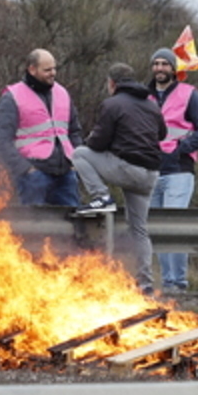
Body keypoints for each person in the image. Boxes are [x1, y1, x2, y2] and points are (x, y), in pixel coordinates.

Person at [71, 63, 166, 294]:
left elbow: (97, 143)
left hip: (127, 168)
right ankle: (145, 284)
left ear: (112, 83)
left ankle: (101, 196)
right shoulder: (152, 106)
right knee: (139, 229)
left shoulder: (112, 104)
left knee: (79, 154)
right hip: (150, 175)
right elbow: (162, 134)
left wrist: (96, 140)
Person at [148, 47, 198, 292]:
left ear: (174, 69)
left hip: (179, 170)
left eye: (165, 64)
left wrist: (181, 148)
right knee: (157, 230)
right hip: (151, 170)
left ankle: (178, 283)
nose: (159, 68)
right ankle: (168, 284)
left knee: (173, 226)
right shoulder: (145, 96)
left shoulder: (189, 94)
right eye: (156, 64)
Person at [0, 49, 84, 206]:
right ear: (32, 69)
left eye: (54, 68)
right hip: (34, 176)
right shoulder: (12, 97)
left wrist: (76, 164)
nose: (53, 73)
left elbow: (74, 132)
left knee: (73, 227)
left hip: (66, 174)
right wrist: (25, 169)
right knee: (35, 226)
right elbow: (1, 140)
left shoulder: (62, 93)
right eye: (47, 70)